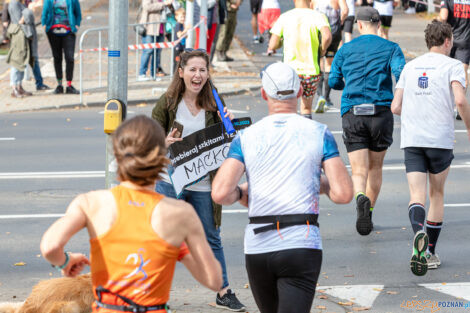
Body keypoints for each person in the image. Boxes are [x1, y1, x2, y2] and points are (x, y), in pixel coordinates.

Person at [40, 115, 223, 312]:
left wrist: (66, 262)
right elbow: (214, 280)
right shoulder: (180, 213)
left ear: (117, 156)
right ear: (161, 157)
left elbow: (50, 247)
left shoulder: (90, 203)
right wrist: (180, 249)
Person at [212, 62, 353, 313]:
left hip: (259, 244)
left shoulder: (246, 137)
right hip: (301, 241)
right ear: (300, 93)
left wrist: (242, 194)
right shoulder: (318, 133)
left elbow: (221, 192)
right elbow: (343, 194)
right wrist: (316, 184)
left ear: (264, 94)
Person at [151, 49, 246, 312]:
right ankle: (154, 296)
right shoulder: (168, 102)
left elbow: (228, 140)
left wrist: (230, 124)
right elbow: (150, 141)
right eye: (192, 69)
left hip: (204, 183)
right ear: (180, 72)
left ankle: (223, 293)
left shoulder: (215, 102)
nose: (198, 75)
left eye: (202, 70)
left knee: (212, 237)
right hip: (170, 181)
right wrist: (164, 142)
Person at [391, 20, 470, 276]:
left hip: (413, 138)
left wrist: (415, 113)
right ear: (447, 41)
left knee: (417, 194)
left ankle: (419, 235)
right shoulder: (454, 66)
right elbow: (460, 99)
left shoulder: (410, 67)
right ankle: (431, 251)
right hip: (439, 139)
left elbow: (395, 106)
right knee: (437, 193)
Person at [329, 7, 405, 235]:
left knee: (359, 169)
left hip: (353, 112)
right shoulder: (392, 48)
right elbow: (402, 74)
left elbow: (334, 81)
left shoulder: (345, 49)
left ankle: (360, 196)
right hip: (381, 112)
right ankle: (368, 212)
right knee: (376, 168)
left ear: (359, 25)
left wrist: (348, 83)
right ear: (379, 25)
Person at [268, 0, 332, 119]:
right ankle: (305, 134)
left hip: (290, 73)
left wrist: (280, 44)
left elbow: (272, 44)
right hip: (311, 71)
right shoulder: (318, 16)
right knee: (306, 108)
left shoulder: (285, 17)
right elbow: (327, 36)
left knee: (288, 108)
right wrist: (322, 49)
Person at [312, 0, 348, 112]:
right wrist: (340, 21)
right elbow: (345, 10)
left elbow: (311, 10)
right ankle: (327, 97)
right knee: (329, 64)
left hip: (318, 32)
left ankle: (319, 96)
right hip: (333, 31)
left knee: (318, 62)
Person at [42, 0, 81, 94]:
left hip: (68, 31)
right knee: (57, 58)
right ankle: (59, 85)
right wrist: (44, 24)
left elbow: (78, 13)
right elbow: (45, 12)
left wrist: (77, 24)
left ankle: (69, 85)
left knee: (69, 57)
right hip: (53, 32)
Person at [439, 0, 470, 120]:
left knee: (445, 72)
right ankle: (458, 108)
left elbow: (443, 16)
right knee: (462, 74)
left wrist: (437, 19)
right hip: (466, 40)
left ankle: (446, 106)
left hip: (448, 40)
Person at [138, 0, 172, 81]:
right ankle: (142, 74)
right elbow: (147, 6)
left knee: (157, 52)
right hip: (150, 28)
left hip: (161, 28)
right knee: (148, 51)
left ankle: (154, 74)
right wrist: (163, 4)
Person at [6, 0, 33, 98]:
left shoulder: (19, 3)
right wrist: (29, 10)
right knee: (17, 61)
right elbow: (20, 22)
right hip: (19, 35)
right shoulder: (14, 3)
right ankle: (14, 88)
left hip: (23, 34)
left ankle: (19, 86)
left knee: (23, 61)